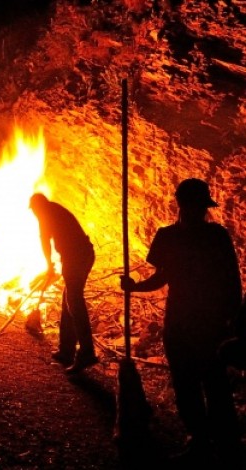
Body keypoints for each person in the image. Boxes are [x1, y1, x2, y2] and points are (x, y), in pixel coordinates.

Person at [120, 178, 243, 466]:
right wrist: (134, 287)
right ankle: (200, 439)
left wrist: (233, 318)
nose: (199, 211)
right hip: (181, 320)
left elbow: (231, 279)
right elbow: (162, 277)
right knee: (187, 382)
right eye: (196, 205)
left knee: (213, 383)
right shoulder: (169, 236)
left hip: (208, 321)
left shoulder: (216, 236)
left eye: (201, 206)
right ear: (184, 205)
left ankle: (224, 443)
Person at [29, 192, 98, 374]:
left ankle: (87, 352)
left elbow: (44, 240)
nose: (34, 214)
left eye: (33, 211)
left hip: (76, 256)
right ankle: (66, 350)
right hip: (82, 254)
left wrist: (48, 266)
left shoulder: (46, 212)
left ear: (37, 207)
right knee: (68, 299)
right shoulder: (54, 209)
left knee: (74, 301)